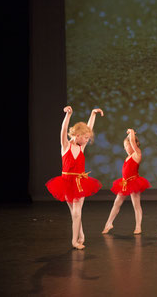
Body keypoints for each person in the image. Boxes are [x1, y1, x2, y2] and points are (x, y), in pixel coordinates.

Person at [46, 106, 103, 249]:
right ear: (77, 135)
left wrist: (93, 114)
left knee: (77, 212)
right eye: (85, 137)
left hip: (79, 183)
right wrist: (68, 114)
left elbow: (88, 127)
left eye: (88, 138)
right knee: (74, 212)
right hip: (66, 183)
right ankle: (80, 236)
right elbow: (63, 130)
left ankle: (76, 240)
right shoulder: (66, 146)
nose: (87, 140)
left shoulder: (81, 147)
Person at [102, 129, 151, 235]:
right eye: (124, 146)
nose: (125, 148)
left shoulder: (137, 154)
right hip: (124, 183)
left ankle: (138, 227)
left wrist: (131, 133)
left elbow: (133, 142)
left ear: (134, 145)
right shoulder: (128, 156)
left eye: (126, 145)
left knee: (136, 205)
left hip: (134, 182)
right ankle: (108, 223)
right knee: (116, 203)